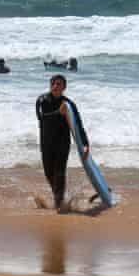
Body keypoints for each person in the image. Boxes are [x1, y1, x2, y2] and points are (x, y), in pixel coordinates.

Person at [35, 74, 90, 213]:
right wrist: (58, 112)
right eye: (53, 83)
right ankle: (60, 199)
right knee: (49, 174)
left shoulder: (69, 104)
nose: (55, 86)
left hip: (62, 143)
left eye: (59, 84)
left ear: (64, 87)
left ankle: (59, 205)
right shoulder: (42, 100)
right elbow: (41, 117)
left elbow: (78, 125)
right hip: (46, 142)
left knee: (59, 173)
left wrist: (85, 144)